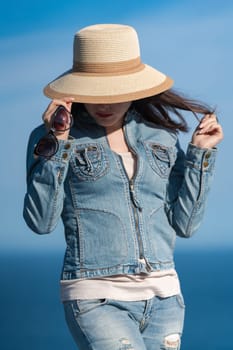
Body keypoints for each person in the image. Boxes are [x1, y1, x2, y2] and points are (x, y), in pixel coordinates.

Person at [23, 24, 223, 350]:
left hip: (165, 298)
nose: (105, 102)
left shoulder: (161, 137)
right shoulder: (53, 139)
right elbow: (41, 222)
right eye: (95, 90)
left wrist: (201, 155)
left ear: (135, 88)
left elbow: (185, 225)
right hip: (96, 297)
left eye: (116, 91)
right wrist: (56, 145)